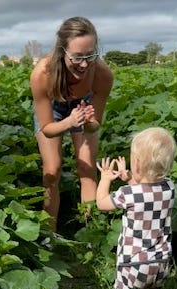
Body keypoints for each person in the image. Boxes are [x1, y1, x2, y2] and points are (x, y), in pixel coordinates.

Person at [95, 127, 177, 289]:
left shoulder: (127, 194)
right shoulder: (169, 188)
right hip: (160, 261)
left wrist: (105, 179)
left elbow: (101, 203)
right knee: (151, 288)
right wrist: (131, 177)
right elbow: (147, 190)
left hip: (133, 262)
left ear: (138, 163)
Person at [30, 16, 114, 231]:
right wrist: (69, 122)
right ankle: (50, 235)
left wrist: (87, 122)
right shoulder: (42, 74)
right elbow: (48, 129)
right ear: (62, 51)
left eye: (90, 55)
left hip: (83, 106)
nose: (85, 64)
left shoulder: (102, 75)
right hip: (54, 110)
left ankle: (90, 232)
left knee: (86, 169)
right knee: (52, 171)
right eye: (77, 57)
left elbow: (95, 125)